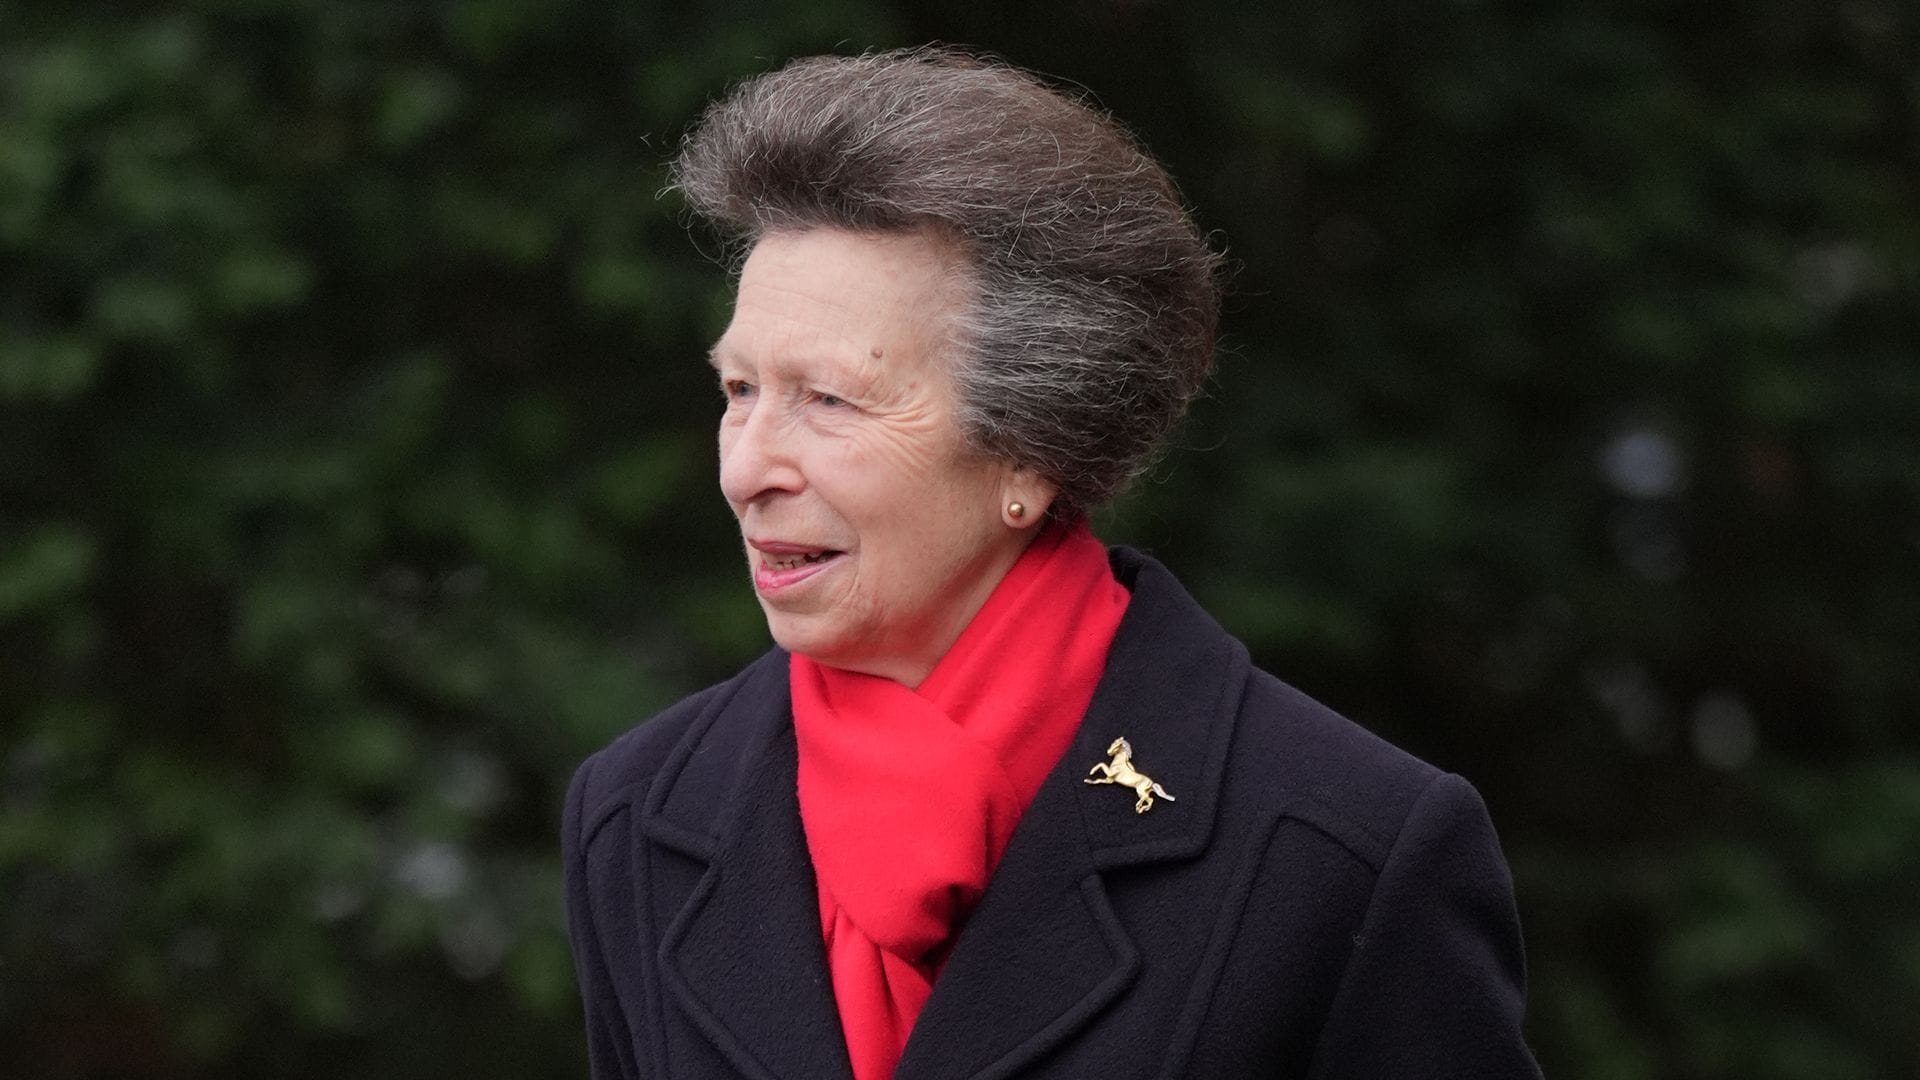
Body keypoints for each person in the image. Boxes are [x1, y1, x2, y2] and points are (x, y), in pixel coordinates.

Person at [562, 47, 1544, 1080]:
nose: (747, 468)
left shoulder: (1345, 850)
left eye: (829, 400)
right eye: (739, 391)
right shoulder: (636, 817)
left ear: (1033, 445)